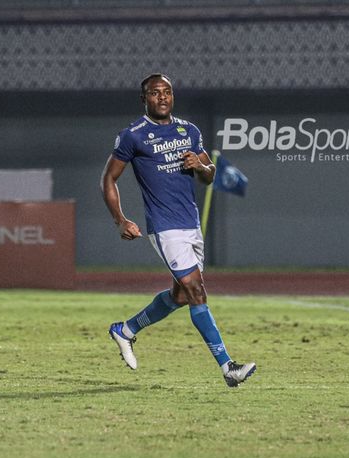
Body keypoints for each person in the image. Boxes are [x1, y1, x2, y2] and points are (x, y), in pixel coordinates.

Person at [100, 73, 256, 387]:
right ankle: (228, 368)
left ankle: (125, 330)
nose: (162, 97)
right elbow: (108, 179)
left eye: (167, 92)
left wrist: (201, 166)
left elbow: (208, 175)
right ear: (144, 98)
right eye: (155, 93)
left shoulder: (190, 130)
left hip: (191, 225)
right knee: (197, 292)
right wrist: (120, 220)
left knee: (181, 296)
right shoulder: (133, 135)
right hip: (164, 226)